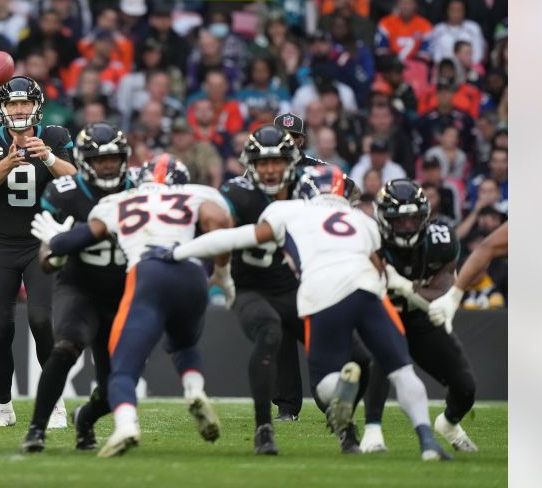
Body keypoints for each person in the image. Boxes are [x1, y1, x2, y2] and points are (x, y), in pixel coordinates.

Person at [173, 166, 454, 462]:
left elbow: (234, 238)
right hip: (366, 291)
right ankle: (427, 442)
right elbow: (381, 271)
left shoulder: (288, 210)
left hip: (323, 294)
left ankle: (340, 390)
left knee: (324, 382)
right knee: (402, 371)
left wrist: (178, 253)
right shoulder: (362, 220)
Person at [31, 154, 230, 458]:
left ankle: (126, 424)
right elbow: (221, 226)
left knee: (122, 373)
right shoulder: (198, 194)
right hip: (187, 275)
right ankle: (194, 389)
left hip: (142, 280)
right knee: (183, 345)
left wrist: (58, 243)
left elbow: (81, 236)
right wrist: (222, 274)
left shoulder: (119, 202)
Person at [215, 125, 369, 454]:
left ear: (292, 161)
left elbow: (347, 203)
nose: (271, 170)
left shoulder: (309, 187)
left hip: (300, 287)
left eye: (278, 162)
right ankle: (264, 429)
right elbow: (220, 229)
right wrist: (222, 274)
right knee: (271, 333)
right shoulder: (237, 192)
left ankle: (343, 422)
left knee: (358, 357)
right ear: (251, 164)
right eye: (264, 163)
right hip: (253, 287)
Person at [0, 76, 77, 428]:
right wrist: (10, 160)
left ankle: (56, 403)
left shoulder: (56, 137)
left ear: (36, 106)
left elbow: (73, 178)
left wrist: (46, 156)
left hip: (40, 241)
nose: (19, 109)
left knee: (41, 320)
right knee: (0, 329)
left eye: (24, 103)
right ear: (3, 107)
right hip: (0, 243)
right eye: (13, 104)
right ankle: (4, 408)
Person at [21, 123, 134, 452]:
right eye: (100, 160)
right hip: (80, 287)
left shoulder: (139, 190)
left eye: (113, 158)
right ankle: (36, 430)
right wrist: (52, 260)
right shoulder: (66, 192)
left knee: (118, 383)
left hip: (124, 292)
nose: (108, 165)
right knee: (65, 349)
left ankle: (85, 418)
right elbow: (45, 254)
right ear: (86, 162)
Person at [360, 181, 479, 454]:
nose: (407, 226)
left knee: (465, 387)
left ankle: (449, 424)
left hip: (421, 320)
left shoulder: (441, 239)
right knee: (382, 353)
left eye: (413, 218)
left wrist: (406, 287)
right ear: (383, 218)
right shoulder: (367, 238)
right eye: (399, 220)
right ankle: (372, 431)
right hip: (380, 314)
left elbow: (443, 291)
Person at [427, 221, 508, 328]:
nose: (476, 275)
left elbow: (487, 247)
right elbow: (487, 247)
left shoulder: (493, 291)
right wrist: (455, 294)